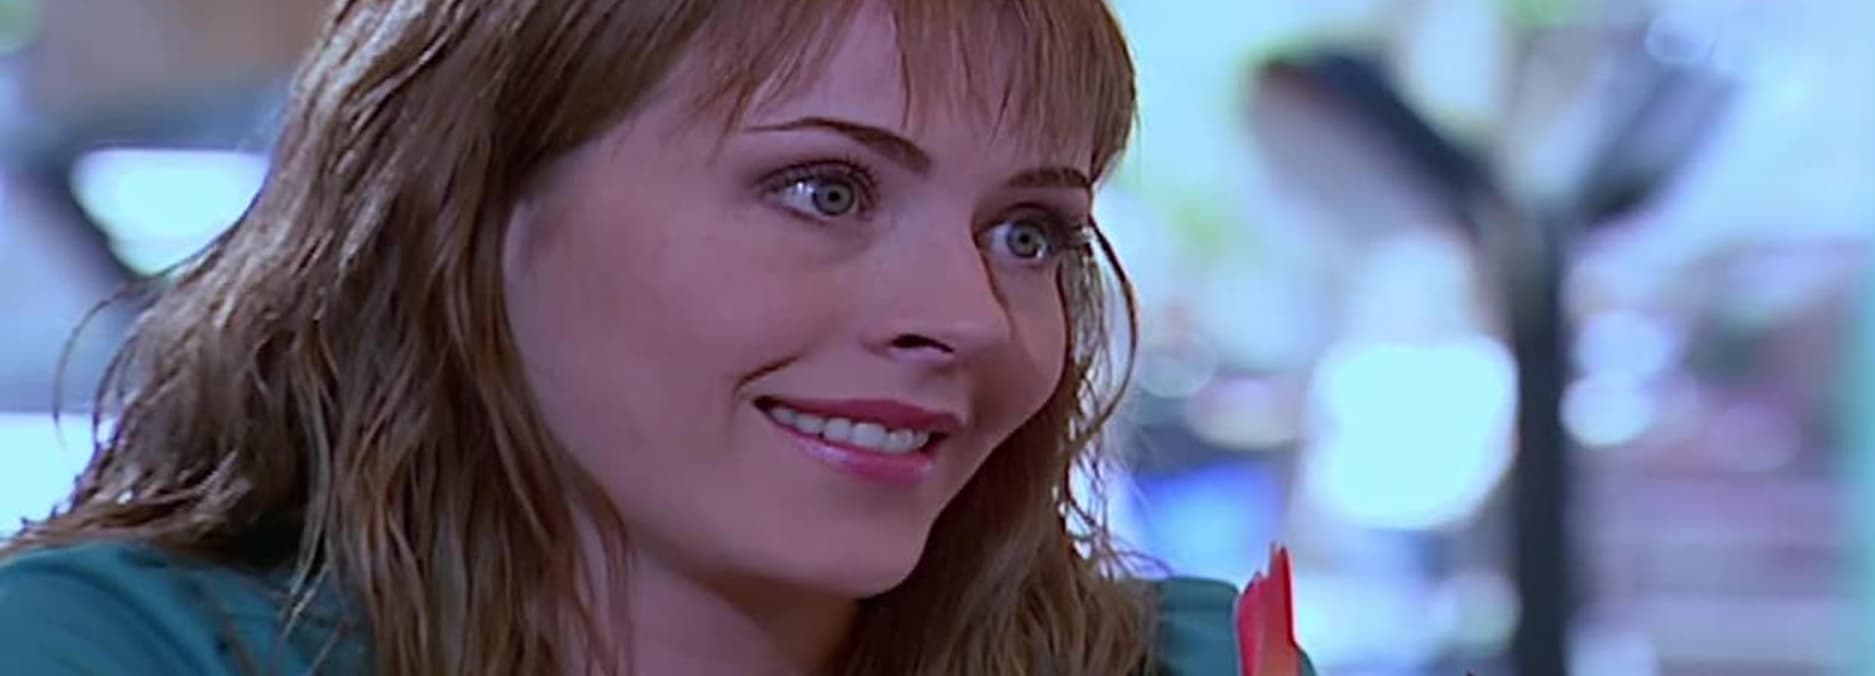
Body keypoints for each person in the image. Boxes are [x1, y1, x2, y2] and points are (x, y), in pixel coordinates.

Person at [0, 1, 1309, 674]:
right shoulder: (109, 654)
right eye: (826, 190)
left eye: (1028, 232)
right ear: (469, 208)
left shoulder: (1185, 665)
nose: (968, 318)